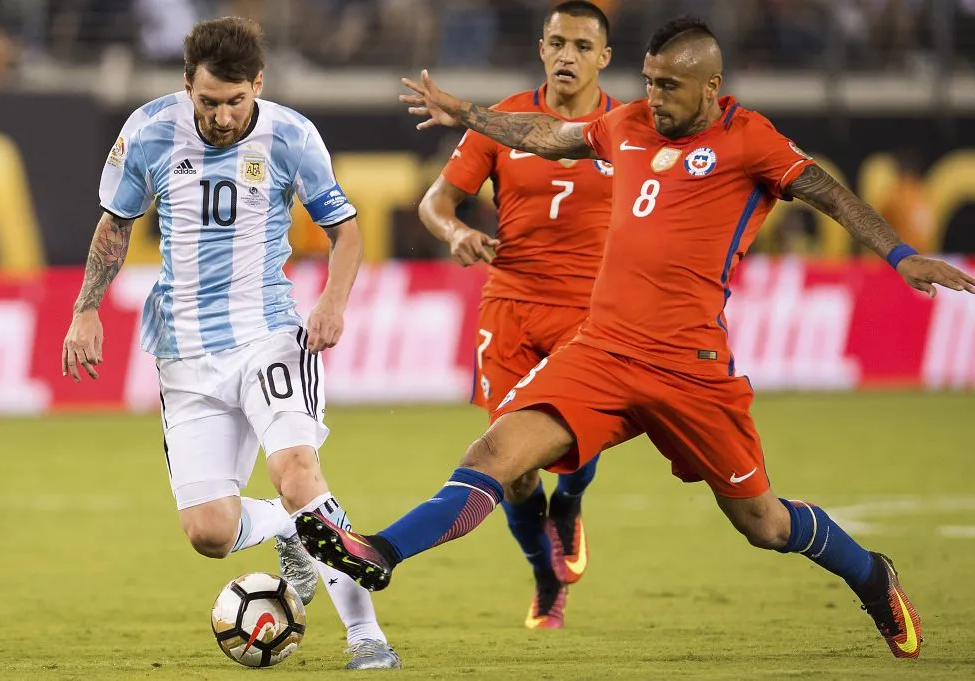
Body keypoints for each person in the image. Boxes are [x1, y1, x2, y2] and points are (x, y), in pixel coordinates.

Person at [297, 15, 975, 659]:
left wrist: (896, 254)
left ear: (712, 87)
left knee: (764, 523)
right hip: (602, 351)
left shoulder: (751, 140)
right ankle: (380, 550)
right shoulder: (625, 123)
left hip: (690, 367)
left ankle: (869, 573)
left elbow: (828, 192)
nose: (654, 97)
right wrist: (470, 115)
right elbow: (546, 136)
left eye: (670, 86)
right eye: (649, 81)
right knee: (496, 451)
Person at [60, 17, 401, 670]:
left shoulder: (291, 135)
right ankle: (290, 529)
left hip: (269, 335)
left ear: (258, 86)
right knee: (209, 532)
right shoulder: (151, 131)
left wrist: (332, 301)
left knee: (300, 472)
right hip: (184, 352)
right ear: (186, 85)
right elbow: (115, 224)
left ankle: (366, 637)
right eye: (207, 101)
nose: (220, 116)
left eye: (234, 101)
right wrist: (86, 309)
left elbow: (347, 230)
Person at [418, 0, 618, 629]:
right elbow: (436, 201)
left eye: (583, 46)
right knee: (514, 471)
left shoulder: (629, 129)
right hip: (510, 306)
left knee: (576, 432)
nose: (568, 55)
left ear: (604, 58)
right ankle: (543, 575)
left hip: (591, 314)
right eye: (557, 42)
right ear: (540, 48)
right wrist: (453, 232)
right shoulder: (504, 120)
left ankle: (574, 502)